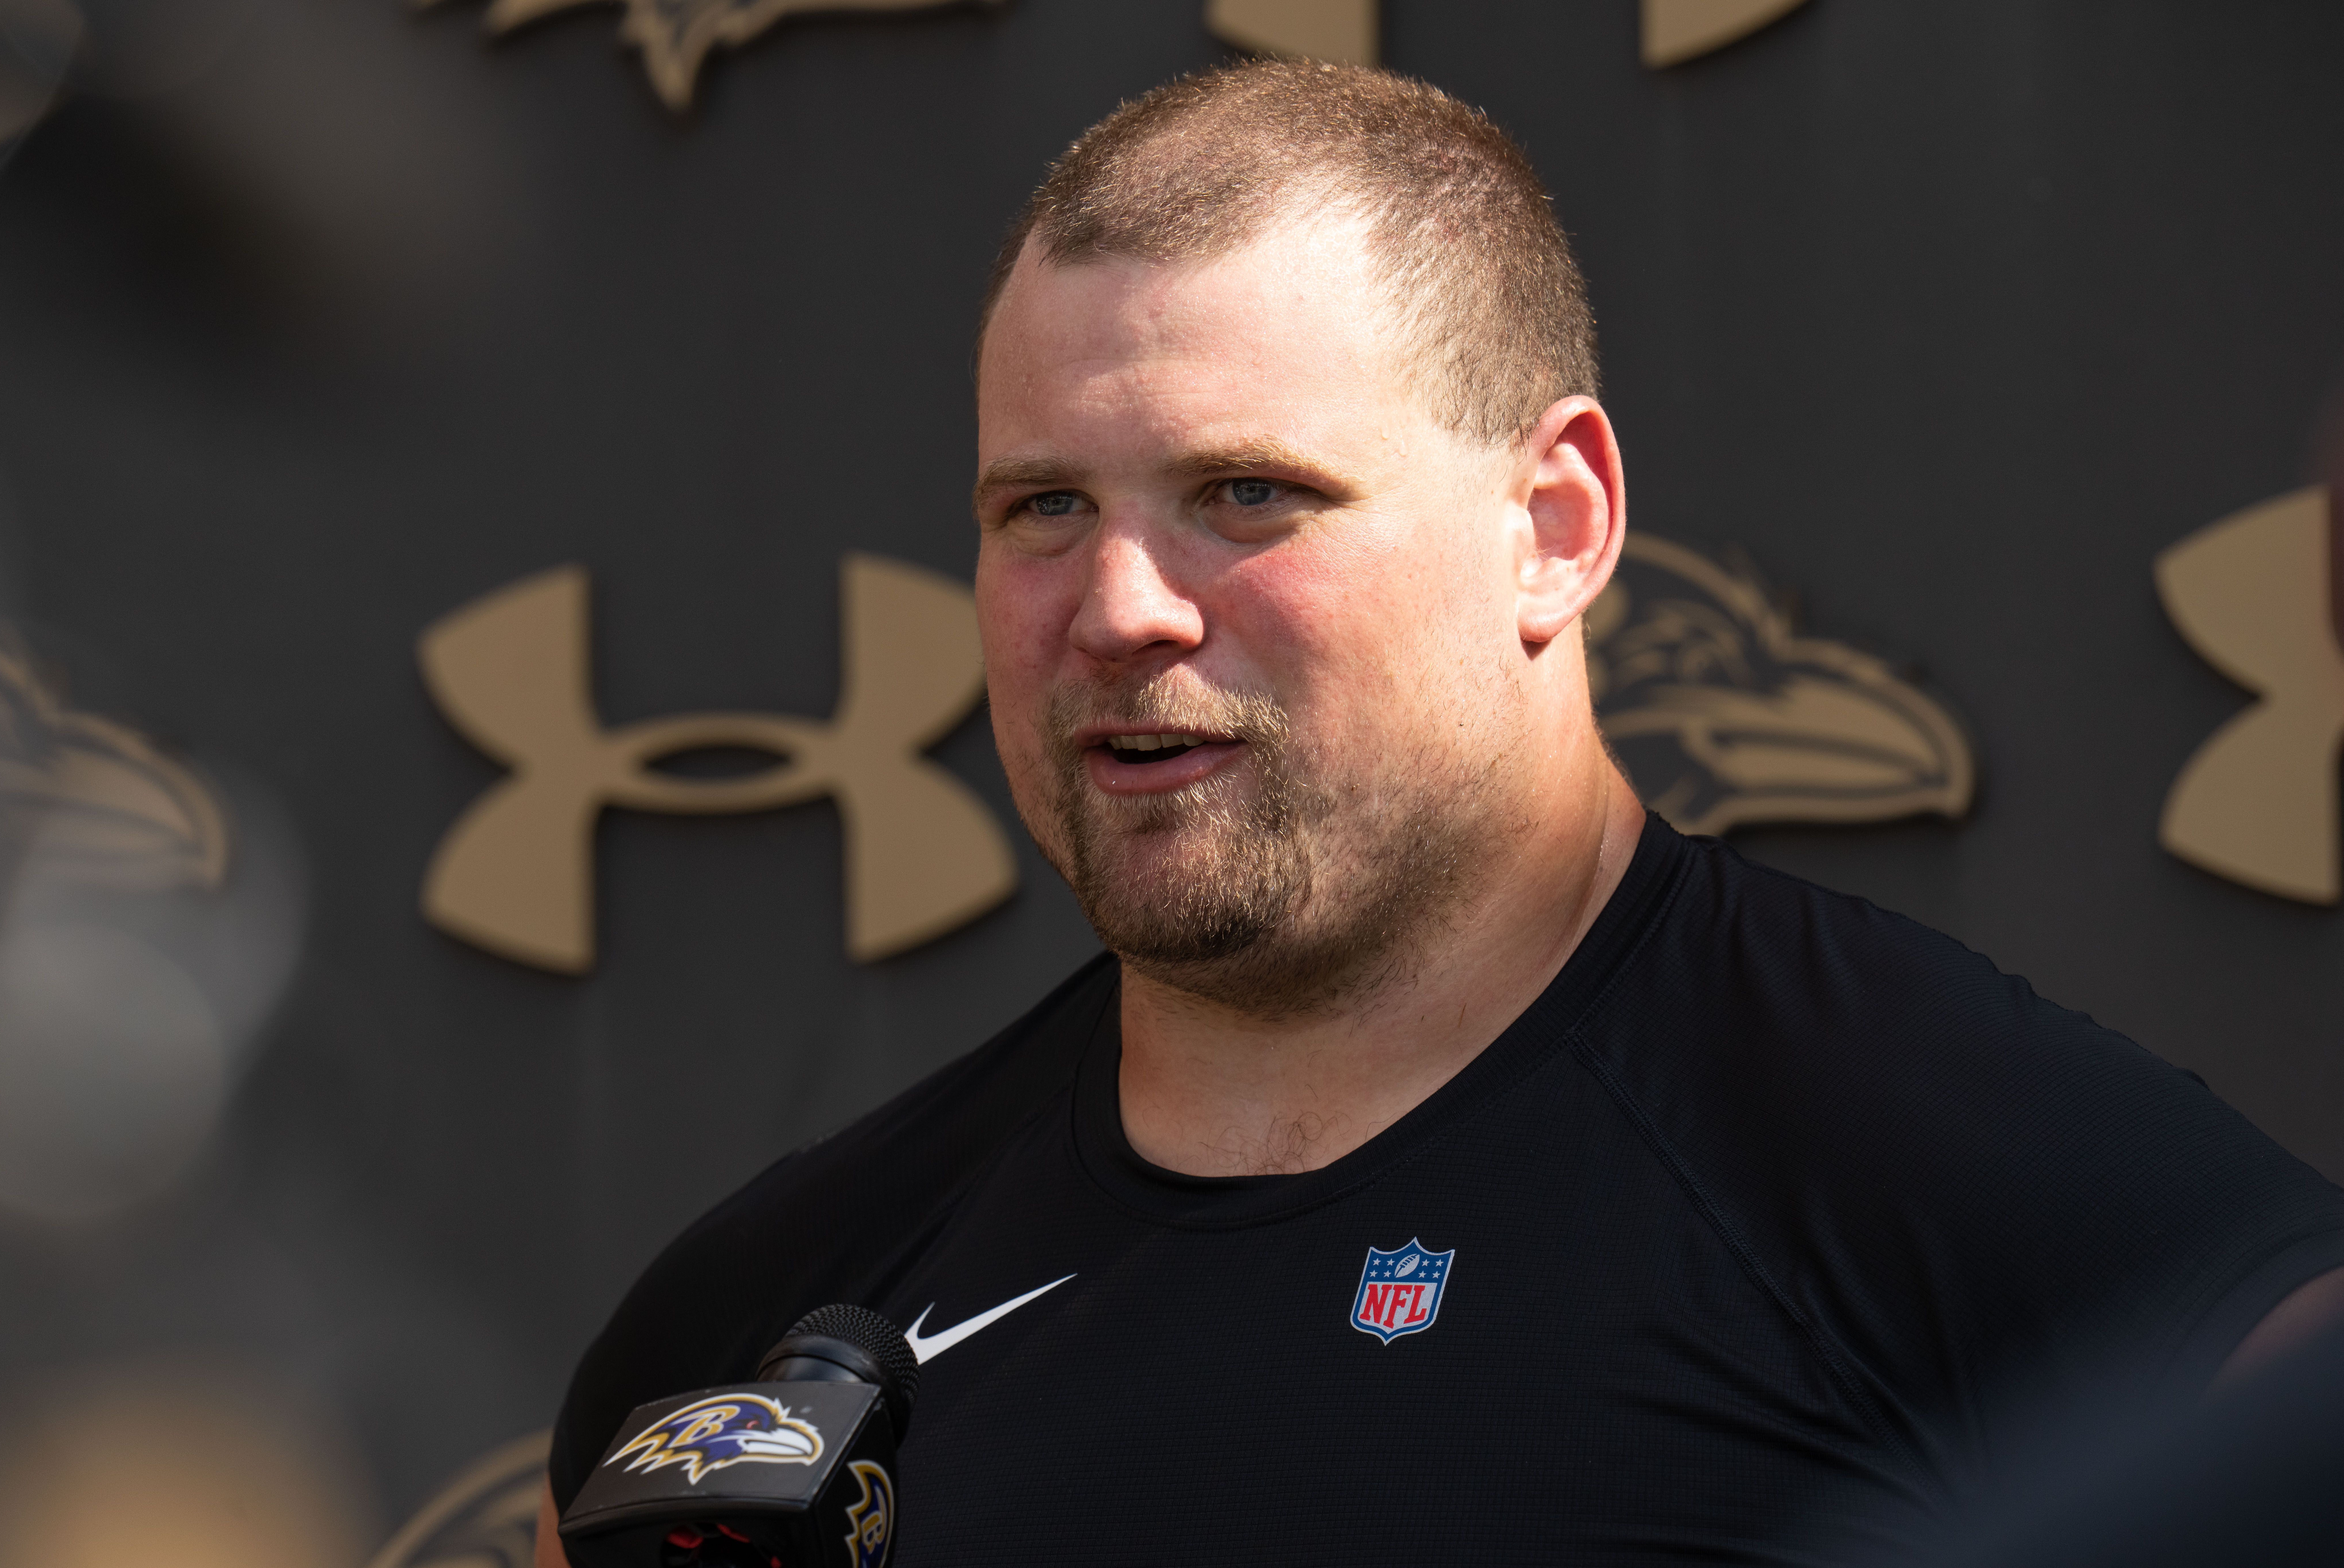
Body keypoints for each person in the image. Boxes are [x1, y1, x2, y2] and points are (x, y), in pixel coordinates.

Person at [538, 62, 2344, 1565]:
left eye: (1247, 492)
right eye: (1044, 510)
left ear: (1554, 526)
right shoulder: (755, 1339)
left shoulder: (1955, 1177)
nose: (1122, 608)